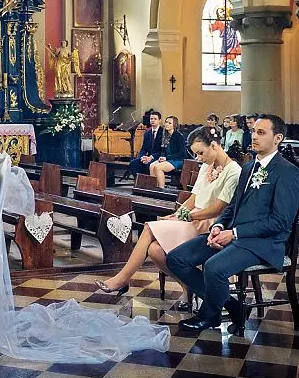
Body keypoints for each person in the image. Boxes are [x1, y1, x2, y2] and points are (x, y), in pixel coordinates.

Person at [166, 114, 299, 336]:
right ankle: (231, 305)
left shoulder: (287, 171)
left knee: (214, 267)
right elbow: (232, 207)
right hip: (234, 236)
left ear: (277, 138)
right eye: (253, 132)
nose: (254, 136)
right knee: (176, 258)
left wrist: (235, 233)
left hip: (263, 243)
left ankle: (209, 315)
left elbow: (281, 221)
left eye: (261, 132)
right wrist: (218, 227)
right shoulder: (248, 168)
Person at [98, 127, 241, 303]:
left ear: (214, 145)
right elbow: (194, 198)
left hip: (210, 223)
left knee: (149, 227)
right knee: (155, 250)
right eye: (196, 154)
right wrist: (177, 214)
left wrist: (188, 217)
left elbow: (218, 209)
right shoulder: (206, 166)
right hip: (194, 217)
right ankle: (187, 286)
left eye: (200, 153)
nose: (198, 158)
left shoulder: (234, 171)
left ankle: (122, 279)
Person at [148, 115, 187, 187]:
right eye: (166, 122)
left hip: (178, 160)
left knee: (158, 167)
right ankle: (154, 187)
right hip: (168, 159)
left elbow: (182, 153)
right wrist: (162, 157)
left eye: (169, 123)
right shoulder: (164, 135)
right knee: (152, 165)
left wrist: (166, 158)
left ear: (174, 125)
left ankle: (161, 188)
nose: (166, 124)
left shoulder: (179, 136)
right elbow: (163, 151)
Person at [128, 110, 164, 177]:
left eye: (155, 119)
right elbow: (143, 149)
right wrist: (142, 157)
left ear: (159, 120)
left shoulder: (163, 133)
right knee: (133, 163)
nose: (152, 120)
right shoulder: (147, 133)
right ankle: (139, 182)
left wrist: (151, 157)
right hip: (147, 157)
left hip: (158, 157)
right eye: (151, 119)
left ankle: (149, 183)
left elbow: (162, 151)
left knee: (149, 165)